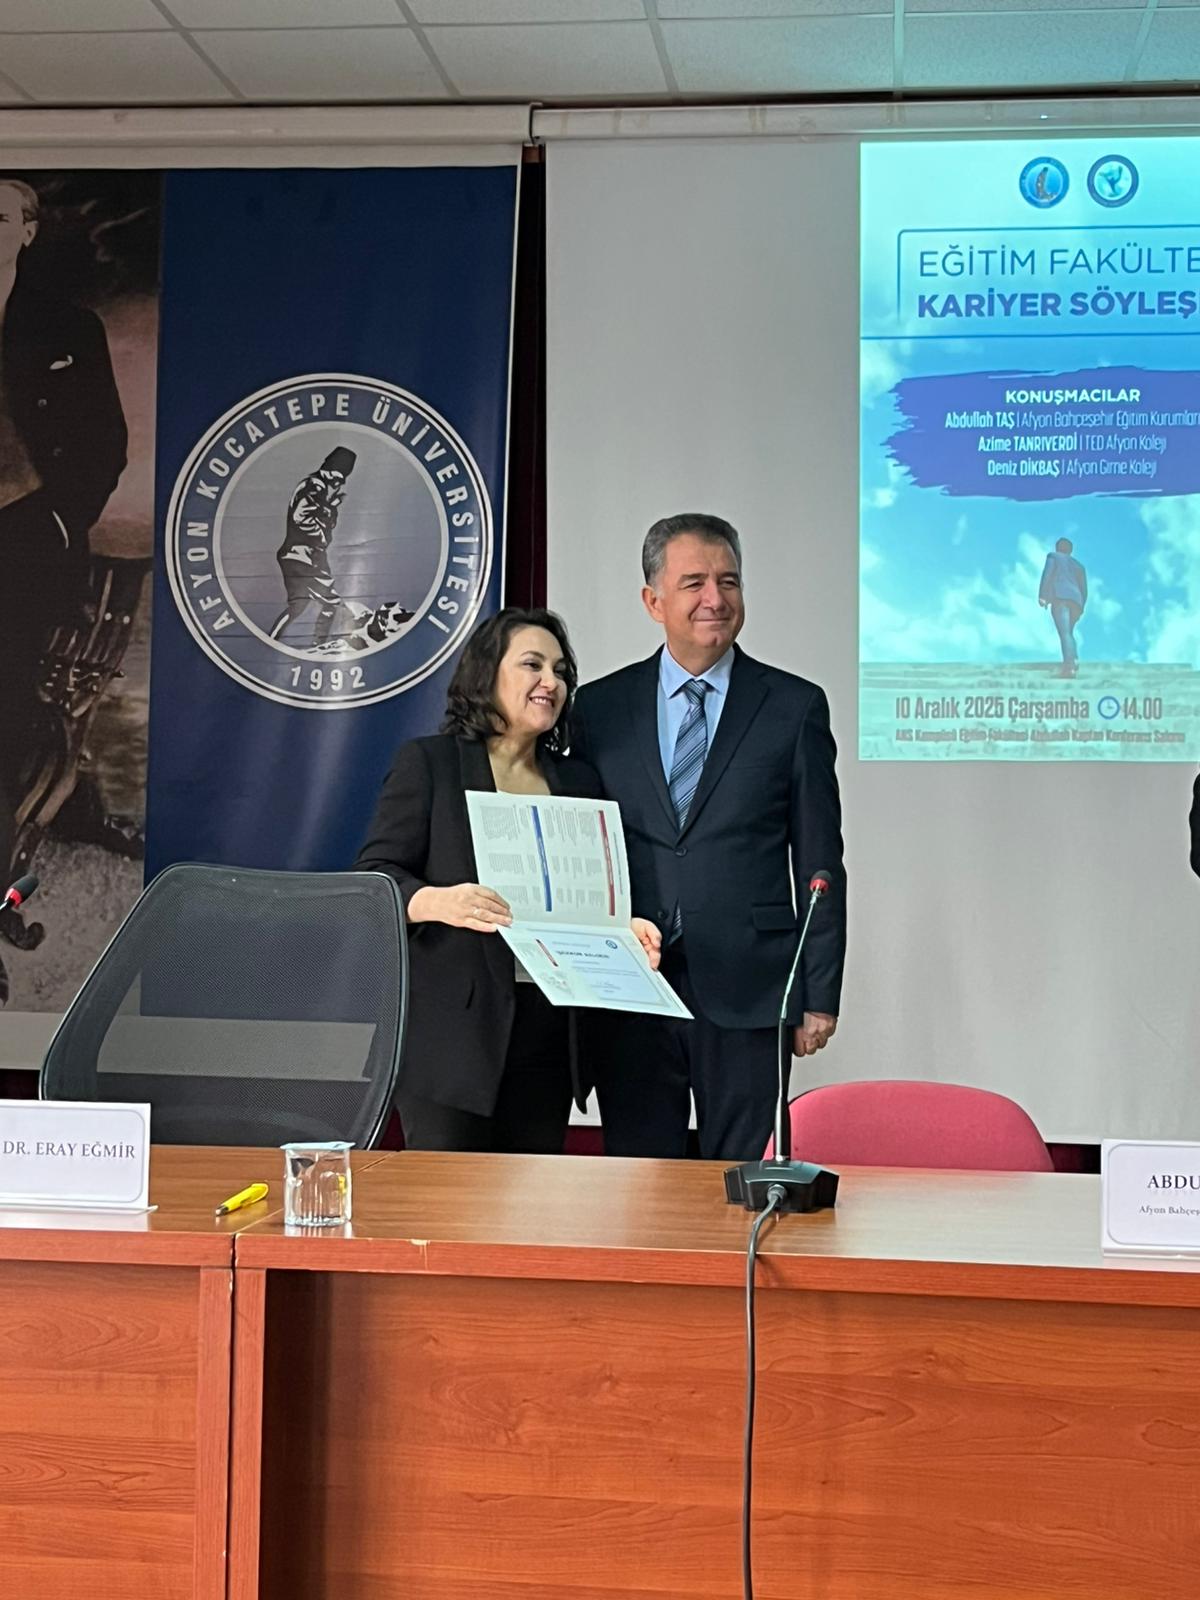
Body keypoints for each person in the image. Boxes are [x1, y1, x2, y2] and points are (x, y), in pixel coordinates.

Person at [571, 513, 846, 1161]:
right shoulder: (599, 707)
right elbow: (583, 845)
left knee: (744, 1181)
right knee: (640, 1183)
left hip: (751, 987)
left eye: (729, 581)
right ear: (653, 601)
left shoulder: (793, 706)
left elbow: (820, 861)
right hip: (632, 986)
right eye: (693, 582)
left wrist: (818, 995)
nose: (715, 598)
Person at [355, 606, 662, 1153]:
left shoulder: (579, 781)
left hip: (549, 1034)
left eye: (561, 671)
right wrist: (435, 901)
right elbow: (373, 879)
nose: (552, 682)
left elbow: (589, 901)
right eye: (532, 665)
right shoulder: (431, 764)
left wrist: (624, 928)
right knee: (449, 1199)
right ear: (487, 674)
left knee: (528, 1200)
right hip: (453, 1040)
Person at [0, 176, 128, 994]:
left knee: (4, 724)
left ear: (26, 229)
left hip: (24, 550)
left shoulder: (67, 329)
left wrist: (57, 522)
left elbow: (105, 443)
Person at [269, 445, 356, 645]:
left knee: (297, 607)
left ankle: (270, 642)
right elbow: (301, 518)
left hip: (298, 555)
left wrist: (330, 508)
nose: (341, 482)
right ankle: (320, 646)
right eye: (340, 475)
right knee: (333, 604)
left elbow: (320, 518)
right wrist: (322, 534)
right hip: (305, 556)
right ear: (331, 467)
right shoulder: (315, 485)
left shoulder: (320, 489)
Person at [1038, 537, 1087, 678]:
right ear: (1070, 551)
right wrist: (1081, 606)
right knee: (1069, 632)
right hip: (1076, 601)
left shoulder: (1053, 557)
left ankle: (1069, 667)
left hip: (1061, 597)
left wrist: (1042, 596)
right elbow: (1084, 589)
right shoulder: (1079, 566)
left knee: (1064, 633)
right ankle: (1074, 658)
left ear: (1057, 548)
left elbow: (1047, 575)